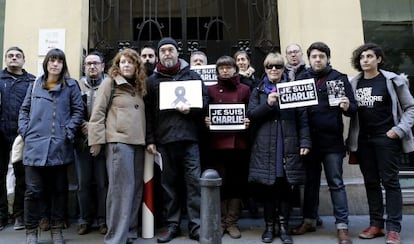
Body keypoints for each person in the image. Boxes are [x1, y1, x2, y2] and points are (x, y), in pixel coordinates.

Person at [347, 43, 414, 244]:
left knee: (391, 182)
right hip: (364, 142)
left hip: (386, 139)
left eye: (369, 56)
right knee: (371, 183)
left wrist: (398, 131)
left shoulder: (393, 81)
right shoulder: (353, 83)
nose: (365, 60)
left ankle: (394, 228)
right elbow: (351, 110)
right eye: (362, 57)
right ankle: (376, 224)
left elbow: (410, 108)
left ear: (379, 59)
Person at [291, 42, 356, 244]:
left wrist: (346, 106)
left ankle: (342, 226)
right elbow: (296, 111)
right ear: (309, 59)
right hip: (309, 142)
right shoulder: (302, 79)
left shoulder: (339, 78)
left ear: (327, 58)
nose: (317, 59)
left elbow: (353, 108)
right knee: (310, 184)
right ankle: (309, 220)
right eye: (314, 56)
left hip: (332, 142)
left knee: (336, 183)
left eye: (321, 56)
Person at [145, 37, 208, 243]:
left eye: (170, 49)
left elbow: (206, 101)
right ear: (159, 55)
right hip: (164, 141)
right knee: (168, 185)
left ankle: (195, 225)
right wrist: (151, 139)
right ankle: (172, 225)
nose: (167, 53)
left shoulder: (192, 76)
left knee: (194, 184)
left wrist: (192, 109)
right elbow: (148, 114)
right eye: (163, 50)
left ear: (177, 52)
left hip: (190, 139)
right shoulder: (152, 81)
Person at [18, 48, 84, 244]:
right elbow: (24, 110)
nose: (55, 64)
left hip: (59, 145)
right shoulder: (35, 84)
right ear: (46, 63)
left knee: (59, 191)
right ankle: (31, 231)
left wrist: (68, 132)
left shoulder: (71, 86)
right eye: (52, 60)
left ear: (63, 65)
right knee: (33, 191)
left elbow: (78, 110)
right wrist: (25, 131)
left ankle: (57, 230)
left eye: (59, 61)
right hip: (34, 146)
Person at [247, 52, 311, 244]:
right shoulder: (258, 90)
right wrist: (268, 104)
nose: (273, 70)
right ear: (265, 69)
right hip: (266, 145)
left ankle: (283, 227)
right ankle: (269, 226)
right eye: (269, 66)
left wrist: (305, 142)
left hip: (287, 144)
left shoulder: (293, 88)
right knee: (268, 187)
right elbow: (251, 115)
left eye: (278, 66)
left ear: (283, 69)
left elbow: (302, 118)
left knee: (285, 187)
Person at [88, 48, 147, 244]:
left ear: (136, 65)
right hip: (118, 143)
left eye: (131, 62)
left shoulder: (139, 86)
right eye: (123, 62)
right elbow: (97, 114)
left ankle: (129, 232)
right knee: (120, 191)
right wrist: (95, 141)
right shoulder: (109, 83)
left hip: (138, 143)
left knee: (135, 190)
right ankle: (115, 238)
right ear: (118, 65)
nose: (127, 65)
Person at [204, 56, 251, 239]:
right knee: (220, 183)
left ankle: (232, 221)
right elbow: (206, 110)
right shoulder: (211, 90)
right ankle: (221, 220)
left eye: (228, 67)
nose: (225, 71)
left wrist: (248, 120)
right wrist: (207, 121)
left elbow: (251, 110)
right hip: (217, 144)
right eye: (221, 68)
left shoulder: (245, 89)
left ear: (235, 70)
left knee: (236, 183)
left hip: (238, 144)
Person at [0, 47, 35, 231]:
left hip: (22, 136)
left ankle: (20, 216)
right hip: (1, 134)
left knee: (22, 177)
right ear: (5, 59)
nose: (14, 58)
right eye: (10, 56)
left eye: (17, 56)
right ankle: (2, 215)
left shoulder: (32, 81)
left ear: (24, 60)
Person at [74, 51, 108, 235]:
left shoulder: (109, 85)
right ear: (84, 67)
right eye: (88, 64)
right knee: (83, 183)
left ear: (103, 66)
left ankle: (103, 220)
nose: (92, 67)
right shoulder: (75, 85)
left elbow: (113, 112)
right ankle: (84, 220)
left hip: (103, 141)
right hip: (81, 142)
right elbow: (71, 108)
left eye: (96, 63)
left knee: (102, 183)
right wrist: (82, 125)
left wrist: (95, 129)